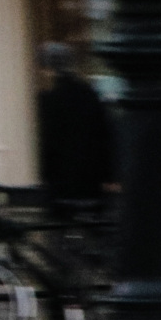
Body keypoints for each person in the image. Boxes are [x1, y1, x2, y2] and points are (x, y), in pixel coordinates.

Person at [35, 42, 114, 213]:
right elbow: (103, 135)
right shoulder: (89, 94)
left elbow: (49, 142)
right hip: (90, 183)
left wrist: (46, 176)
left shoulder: (50, 99)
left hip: (62, 186)